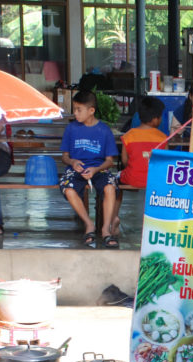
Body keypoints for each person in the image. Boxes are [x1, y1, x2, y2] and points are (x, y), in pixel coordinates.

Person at [59, 90, 119, 249]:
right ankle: (89, 224)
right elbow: (64, 157)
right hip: (76, 170)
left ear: (91, 111)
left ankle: (106, 228)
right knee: (68, 188)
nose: (75, 113)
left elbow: (109, 161)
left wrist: (95, 169)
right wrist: (72, 162)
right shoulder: (71, 128)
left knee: (110, 187)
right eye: (74, 109)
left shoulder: (104, 130)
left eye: (79, 109)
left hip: (99, 169)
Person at [119, 96, 167, 189]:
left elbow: (124, 161)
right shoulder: (163, 138)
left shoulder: (128, 135)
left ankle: (115, 204)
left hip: (131, 179)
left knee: (115, 183)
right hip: (156, 180)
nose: (161, 119)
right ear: (155, 119)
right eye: (160, 116)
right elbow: (164, 162)